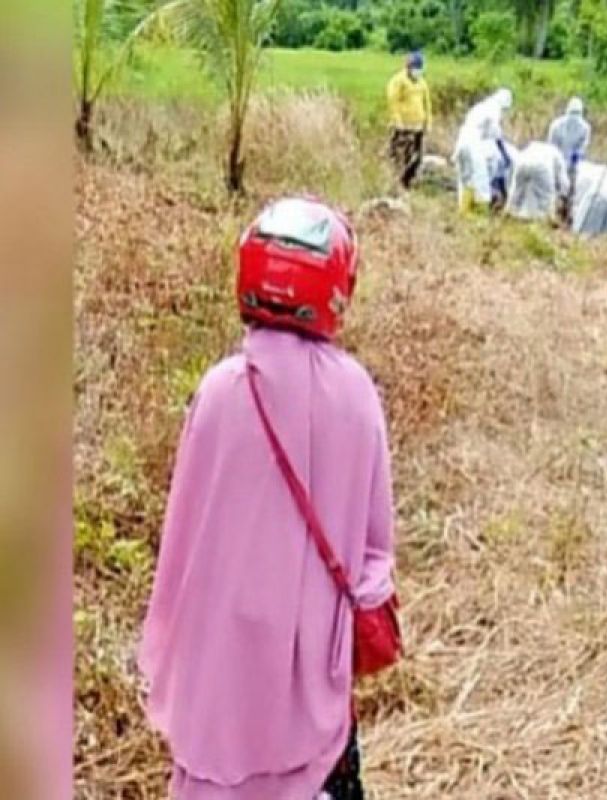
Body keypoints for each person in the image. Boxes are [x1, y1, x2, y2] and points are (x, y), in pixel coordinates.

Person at [138, 197, 398, 799]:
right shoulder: (356, 396)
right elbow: (373, 554)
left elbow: (184, 535)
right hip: (308, 678)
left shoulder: (220, 390)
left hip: (218, 666)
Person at [453, 88, 514, 213]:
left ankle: (463, 210)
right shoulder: (494, 109)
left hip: (461, 141)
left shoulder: (480, 107)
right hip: (473, 144)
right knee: (480, 180)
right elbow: (495, 135)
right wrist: (504, 153)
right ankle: (480, 213)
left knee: (465, 179)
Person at [386, 51, 433, 191]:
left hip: (417, 126)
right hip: (402, 126)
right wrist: (397, 120)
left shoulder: (422, 83)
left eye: (419, 67)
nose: (417, 70)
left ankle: (408, 183)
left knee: (416, 158)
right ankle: (396, 182)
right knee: (400, 156)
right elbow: (393, 101)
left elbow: (427, 103)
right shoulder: (398, 81)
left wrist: (428, 122)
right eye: (415, 67)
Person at [505, 141, 571, 222]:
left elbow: (512, 183)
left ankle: (508, 219)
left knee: (515, 199)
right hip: (542, 167)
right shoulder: (559, 155)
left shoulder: (536, 146)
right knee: (545, 204)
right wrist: (563, 198)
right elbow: (564, 184)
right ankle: (540, 226)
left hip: (521, 162)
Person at [548, 97, 592, 180]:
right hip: (556, 164)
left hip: (574, 167)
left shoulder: (585, 128)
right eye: (572, 112)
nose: (574, 116)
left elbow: (581, 150)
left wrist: (572, 163)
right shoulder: (556, 126)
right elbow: (552, 148)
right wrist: (559, 164)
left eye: (577, 113)